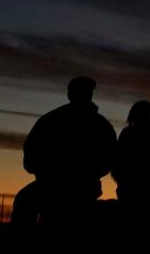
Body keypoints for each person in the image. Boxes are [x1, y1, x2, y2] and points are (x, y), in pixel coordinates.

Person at [20, 76, 117, 224]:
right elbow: (109, 159)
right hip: (67, 188)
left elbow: (31, 155)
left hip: (70, 189)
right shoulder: (101, 125)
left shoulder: (51, 120)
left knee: (25, 202)